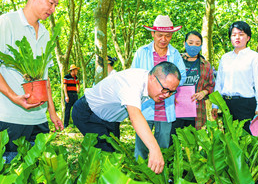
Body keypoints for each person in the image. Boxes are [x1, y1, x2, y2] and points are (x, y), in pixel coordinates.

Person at [0, 0, 64, 163]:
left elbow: (44, 79)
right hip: (9, 116)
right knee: (10, 176)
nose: (53, 9)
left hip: (38, 119)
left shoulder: (45, 33)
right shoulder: (6, 22)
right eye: (51, 3)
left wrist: (52, 112)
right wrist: (15, 97)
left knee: (37, 176)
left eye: (56, 6)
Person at [72, 61, 181, 174]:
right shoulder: (133, 83)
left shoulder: (148, 82)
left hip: (111, 120)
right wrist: (155, 149)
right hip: (88, 113)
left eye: (171, 92)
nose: (167, 95)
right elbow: (135, 116)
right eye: (165, 90)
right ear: (153, 78)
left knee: (115, 156)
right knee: (107, 159)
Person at [131, 15, 186, 160]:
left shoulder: (175, 55)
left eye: (168, 36)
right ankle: (140, 177)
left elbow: (183, 77)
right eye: (160, 35)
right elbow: (133, 76)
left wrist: (167, 90)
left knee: (163, 148)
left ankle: (161, 179)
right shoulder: (142, 53)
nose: (164, 39)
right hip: (144, 108)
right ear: (152, 34)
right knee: (141, 147)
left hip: (166, 109)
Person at [212, 21, 258, 134]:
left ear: (248, 37)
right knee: (230, 138)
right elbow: (219, 83)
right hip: (227, 104)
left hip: (246, 104)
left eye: (241, 34)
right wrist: (215, 104)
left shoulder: (254, 57)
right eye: (234, 34)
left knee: (246, 138)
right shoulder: (225, 58)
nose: (237, 37)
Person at [170, 31, 215, 137]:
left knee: (192, 146)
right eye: (190, 42)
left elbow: (211, 85)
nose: (193, 46)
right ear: (184, 43)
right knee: (172, 143)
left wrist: (203, 93)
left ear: (201, 46)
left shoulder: (206, 65)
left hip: (196, 112)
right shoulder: (175, 61)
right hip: (175, 110)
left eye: (197, 43)